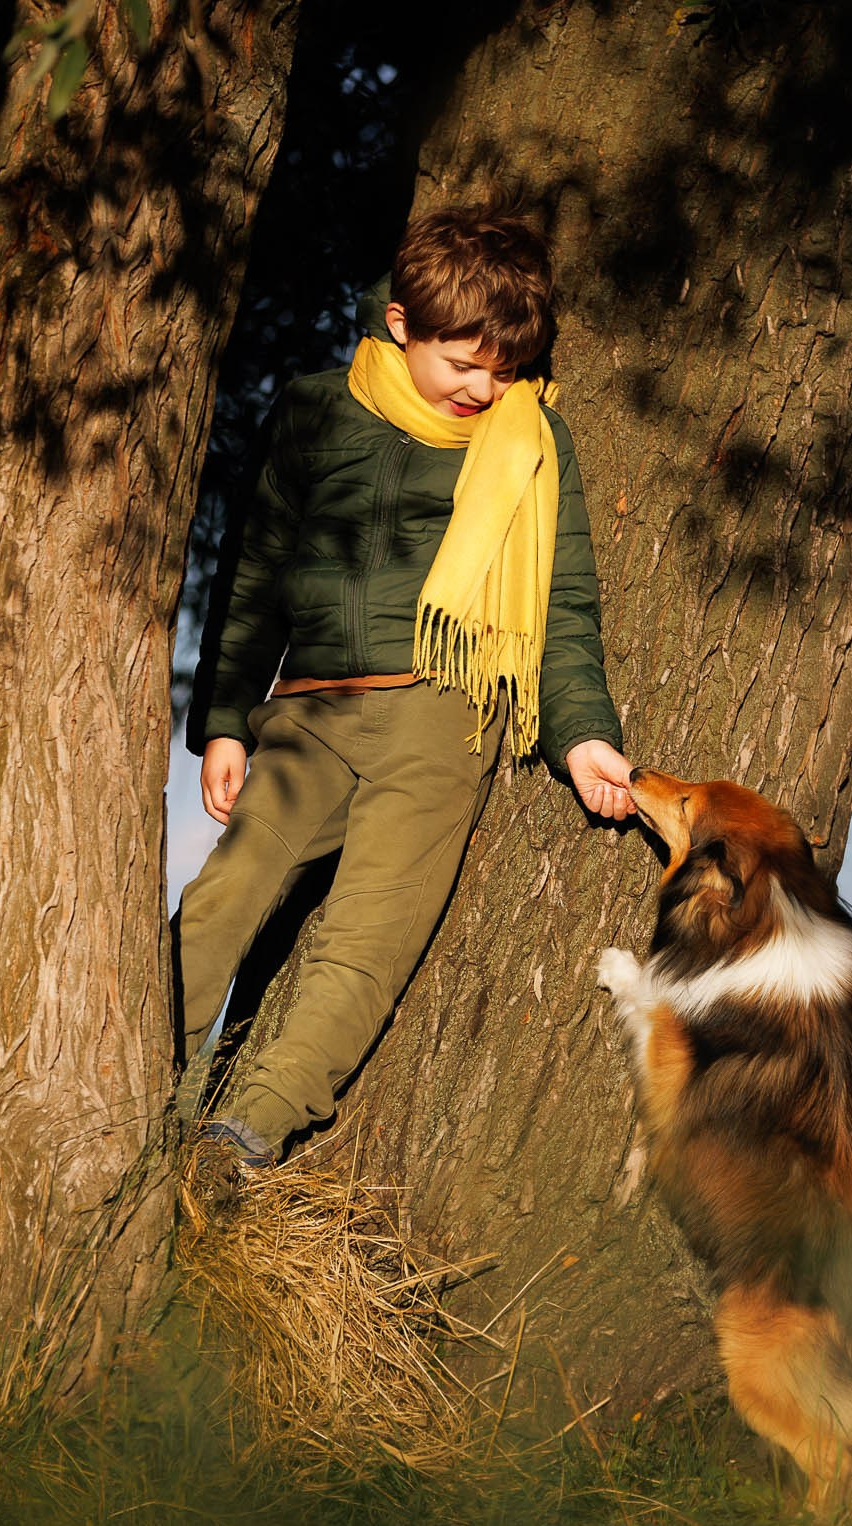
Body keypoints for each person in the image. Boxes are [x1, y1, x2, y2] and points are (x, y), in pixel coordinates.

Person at [174, 207, 633, 1166]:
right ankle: (138, 1098)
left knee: (368, 936)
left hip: (438, 715)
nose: (484, 387)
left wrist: (583, 733)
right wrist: (224, 722)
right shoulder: (314, 408)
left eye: (504, 368)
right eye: (463, 363)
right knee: (224, 901)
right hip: (307, 711)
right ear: (399, 326)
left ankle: (244, 1132)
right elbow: (254, 571)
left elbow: (563, 604)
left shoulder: (534, 442)